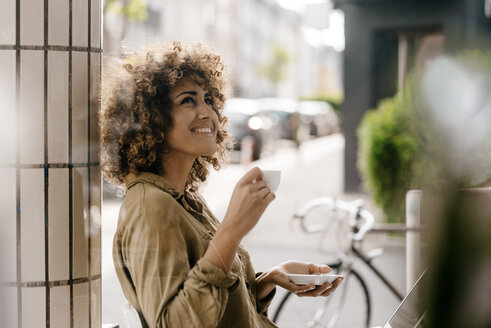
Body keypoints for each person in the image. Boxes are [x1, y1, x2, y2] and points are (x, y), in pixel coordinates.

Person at [100, 41, 343, 328]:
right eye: (188, 100)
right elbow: (174, 323)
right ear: (150, 118)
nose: (208, 114)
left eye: (209, 100)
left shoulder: (185, 199)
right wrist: (232, 229)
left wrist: (268, 279)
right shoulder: (151, 207)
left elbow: (214, 301)